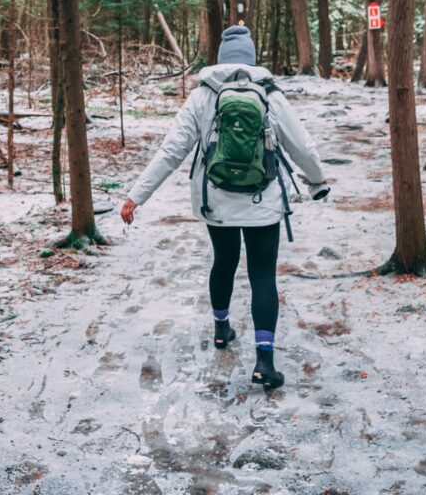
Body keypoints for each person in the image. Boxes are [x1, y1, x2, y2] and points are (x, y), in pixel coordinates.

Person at [120, 25, 328, 390]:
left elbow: (172, 151)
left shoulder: (202, 97)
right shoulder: (270, 95)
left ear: (220, 59)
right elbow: (303, 148)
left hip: (215, 202)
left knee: (224, 262)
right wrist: (318, 181)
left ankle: (221, 329)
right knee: (263, 275)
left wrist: (137, 195)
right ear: (250, 58)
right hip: (263, 203)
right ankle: (264, 360)